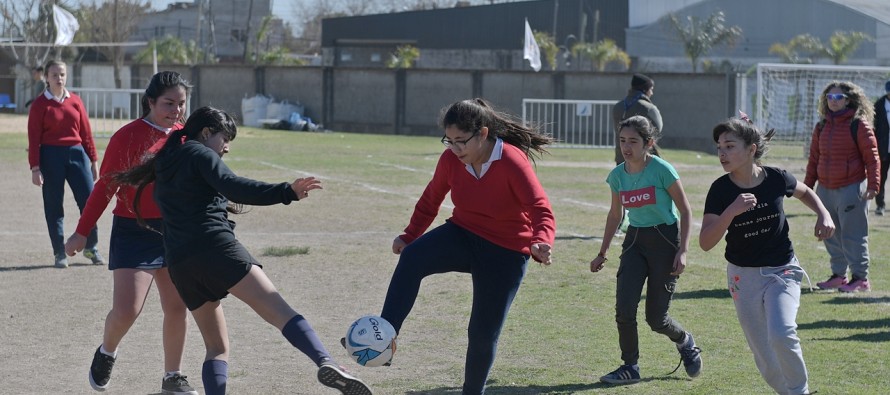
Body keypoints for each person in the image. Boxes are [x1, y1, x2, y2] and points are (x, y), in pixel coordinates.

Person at [114, 106, 372, 395]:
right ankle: (327, 361)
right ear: (206, 132)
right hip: (215, 248)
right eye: (225, 139)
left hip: (180, 264)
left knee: (216, 347)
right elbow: (234, 186)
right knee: (281, 312)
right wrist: (287, 191)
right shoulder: (199, 153)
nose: (226, 148)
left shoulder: (165, 163)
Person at [379, 98, 555, 395]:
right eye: (449, 141)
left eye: (461, 141)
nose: (455, 149)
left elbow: (540, 207)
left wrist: (542, 239)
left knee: (482, 333)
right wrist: (410, 236)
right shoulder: (450, 160)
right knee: (412, 257)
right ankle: (383, 337)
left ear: (483, 134)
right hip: (463, 233)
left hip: (506, 250)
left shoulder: (511, 160)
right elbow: (430, 200)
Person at [64, 71, 198, 394]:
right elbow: (104, 188)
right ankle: (107, 350)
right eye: (168, 103)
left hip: (174, 232)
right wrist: (82, 232)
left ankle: (173, 377)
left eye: (181, 104)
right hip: (133, 230)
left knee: (177, 307)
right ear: (150, 101)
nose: (176, 110)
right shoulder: (127, 137)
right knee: (127, 310)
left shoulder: (186, 138)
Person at [700, 114, 835, 395]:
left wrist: (823, 214)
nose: (722, 153)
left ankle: (800, 391)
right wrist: (731, 211)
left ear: (751, 149)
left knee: (782, 333)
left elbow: (805, 190)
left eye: (729, 146)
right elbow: (706, 241)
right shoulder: (720, 190)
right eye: (719, 147)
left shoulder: (776, 178)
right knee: (763, 353)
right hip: (743, 275)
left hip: (782, 270)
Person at [589, 115, 701, 385]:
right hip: (635, 243)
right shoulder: (617, 175)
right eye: (622, 141)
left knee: (656, 318)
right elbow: (615, 215)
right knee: (624, 309)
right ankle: (630, 366)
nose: (626, 147)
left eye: (633, 141)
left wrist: (683, 251)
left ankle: (685, 341)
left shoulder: (662, 170)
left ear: (648, 143)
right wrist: (602, 251)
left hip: (665, 242)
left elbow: (685, 211)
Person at [27, 59, 103, 268]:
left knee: (89, 201)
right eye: (54, 75)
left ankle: (91, 247)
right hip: (50, 157)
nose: (59, 78)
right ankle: (59, 252)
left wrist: (93, 160)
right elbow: (34, 139)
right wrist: (35, 167)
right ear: (47, 78)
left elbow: (86, 133)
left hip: (77, 155)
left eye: (62, 74)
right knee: (54, 205)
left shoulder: (76, 101)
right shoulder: (39, 105)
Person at [805, 81, 879, 293]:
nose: (833, 102)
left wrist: (873, 185)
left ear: (849, 100)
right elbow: (814, 159)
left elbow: (872, 159)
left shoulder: (859, 125)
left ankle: (860, 279)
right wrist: (807, 188)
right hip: (825, 189)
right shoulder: (821, 126)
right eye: (830, 97)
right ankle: (839, 276)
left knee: (853, 235)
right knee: (830, 233)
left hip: (851, 188)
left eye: (838, 98)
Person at [611, 73, 663, 165]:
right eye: (651, 89)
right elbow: (657, 130)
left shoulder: (618, 107)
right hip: (643, 158)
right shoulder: (648, 108)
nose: (652, 93)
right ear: (645, 90)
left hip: (621, 156)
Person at [873, 80, 890, 216]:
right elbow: (873, 128)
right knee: (881, 178)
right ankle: (880, 205)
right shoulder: (878, 105)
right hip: (883, 150)